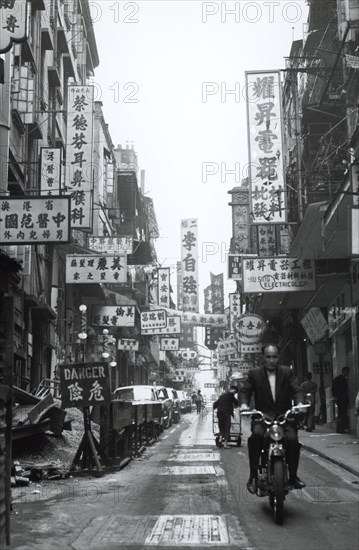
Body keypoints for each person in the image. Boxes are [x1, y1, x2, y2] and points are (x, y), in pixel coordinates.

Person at [239, 343, 306, 494]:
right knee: (255, 437)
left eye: (274, 357)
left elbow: (297, 390)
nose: (271, 360)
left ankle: (293, 476)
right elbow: (245, 391)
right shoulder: (254, 374)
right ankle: (253, 476)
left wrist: (300, 403)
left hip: (284, 417)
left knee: (293, 440)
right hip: (263, 417)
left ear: (278, 357)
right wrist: (244, 405)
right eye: (268, 357)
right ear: (263, 357)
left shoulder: (286, 372)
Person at [332, 366, 350, 433]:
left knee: (340, 414)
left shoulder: (336, 379)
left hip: (339, 399)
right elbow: (344, 390)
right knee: (343, 414)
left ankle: (339, 429)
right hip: (343, 399)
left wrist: (335, 397)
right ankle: (341, 429)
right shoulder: (343, 380)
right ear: (344, 371)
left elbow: (333, 389)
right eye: (347, 372)